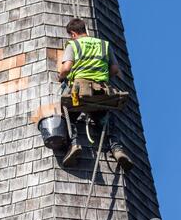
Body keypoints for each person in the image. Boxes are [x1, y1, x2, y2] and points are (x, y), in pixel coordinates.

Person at [57, 18, 134, 171]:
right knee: (105, 119)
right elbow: (114, 70)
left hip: (80, 93)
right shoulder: (104, 45)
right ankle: (117, 149)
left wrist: (60, 77)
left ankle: (74, 144)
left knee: (68, 115)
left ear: (73, 34)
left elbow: (66, 68)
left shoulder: (73, 45)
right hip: (102, 92)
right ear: (84, 29)